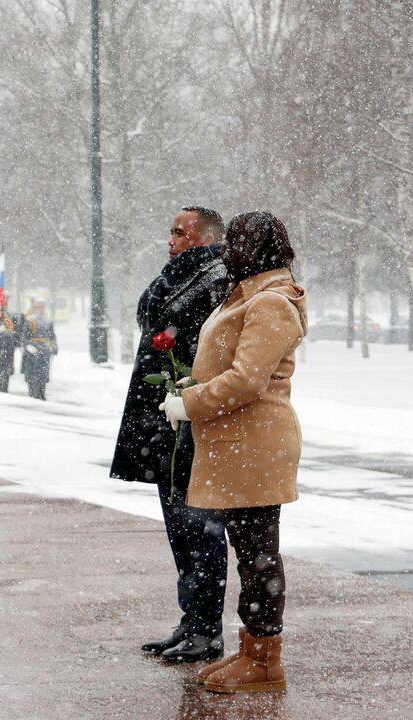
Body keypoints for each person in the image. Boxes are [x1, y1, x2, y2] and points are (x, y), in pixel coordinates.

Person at [161, 211, 306, 694]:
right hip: (238, 443)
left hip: (255, 444)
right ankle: (251, 650)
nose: (228, 250)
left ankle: (265, 658)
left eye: (239, 242)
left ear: (262, 248)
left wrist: (190, 403)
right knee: (249, 552)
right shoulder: (249, 294)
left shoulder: (270, 303)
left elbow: (248, 379)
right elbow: (230, 365)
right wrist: (193, 383)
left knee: (259, 555)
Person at [110, 207, 229, 663]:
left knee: (201, 527)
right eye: (171, 231)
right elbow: (150, 317)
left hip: (190, 416)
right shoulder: (179, 273)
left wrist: (187, 388)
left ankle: (207, 628)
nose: (170, 239)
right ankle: (191, 618)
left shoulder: (215, 276)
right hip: (162, 417)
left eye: (179, 232)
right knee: (178, 527)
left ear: (203, 237)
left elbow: (203, 340)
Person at [19, 299, 58, 399]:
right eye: (38, 307)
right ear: (35, 308)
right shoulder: (29, 320)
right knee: (31, 373)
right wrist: (28, 346)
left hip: (44, 350)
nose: (41, 309)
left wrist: (54, 347)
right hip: (33, 350)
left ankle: (41, 393)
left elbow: (52, 336)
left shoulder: (48, 320)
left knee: (43, 374)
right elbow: (24, 337)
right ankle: (32, 392)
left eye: (42, 307)